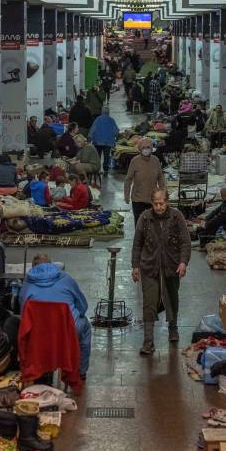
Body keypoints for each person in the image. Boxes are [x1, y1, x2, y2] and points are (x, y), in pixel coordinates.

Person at [132, 189, 191, 354]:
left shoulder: (176, 216)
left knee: (171, 298)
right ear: (152, 203)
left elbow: (185, 242)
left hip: (171, 266)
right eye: (156, 204)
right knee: (149, 302)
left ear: (167, 202)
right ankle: (148, 342)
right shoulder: (145, 218)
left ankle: (173, 327)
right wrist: (135, 265)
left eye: (161, 203)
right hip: (149, 266)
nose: (158, 207)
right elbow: (137, 244)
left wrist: (183, 262)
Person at [19, 254, 91, 377]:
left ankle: (42, 367)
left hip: (39, 334)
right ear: (52, 265)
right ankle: (80, 372)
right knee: (85, 327)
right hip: (68, 332)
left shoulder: (27, 284)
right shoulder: (66, 279)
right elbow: (83, 306)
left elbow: (23, 314)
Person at [124, 138, 166, 222]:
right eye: (143, 148)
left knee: (152, 224)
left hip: (152, 199)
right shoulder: (135, 161)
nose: (146, 150)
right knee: (139, 223)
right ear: (140, 149)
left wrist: (163, 193)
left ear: (151, 149)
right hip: (137, 199)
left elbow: (160, 177)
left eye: (148, 147)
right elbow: (128, 179)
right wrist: (127, 195)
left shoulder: (156, 160)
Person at [88, 106, 120, 174]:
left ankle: (97, 169)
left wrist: (89, 137)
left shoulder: (98, 119)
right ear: (108, 112)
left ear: (101, 112)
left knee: (97, 156)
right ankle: (105, 169)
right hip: (108, 143)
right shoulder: (111, 120)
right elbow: (116, 131)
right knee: (106, 156)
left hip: (97, 142)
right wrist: (116, 137)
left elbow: (93, 129)